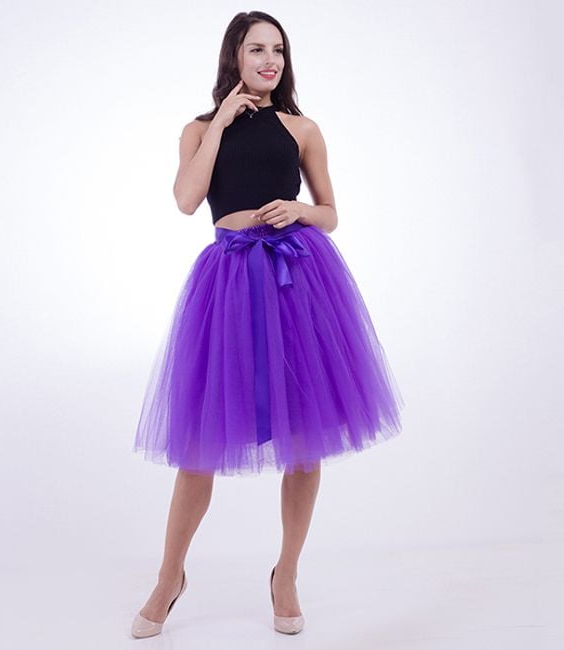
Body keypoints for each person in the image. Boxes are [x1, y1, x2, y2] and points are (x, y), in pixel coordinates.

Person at [130, 11, 404, 639]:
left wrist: (301, 210)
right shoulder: (199, 129)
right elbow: (186, 200)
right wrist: (222, 122)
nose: (270, 60)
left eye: (277, 50)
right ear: (234, 56)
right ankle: (170, 577)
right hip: (229, 282)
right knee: (201, 443)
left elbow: (331, 213)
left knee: (305, 439)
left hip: (296, 280)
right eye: (256, 49)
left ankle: (286, 575)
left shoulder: (302, 128)